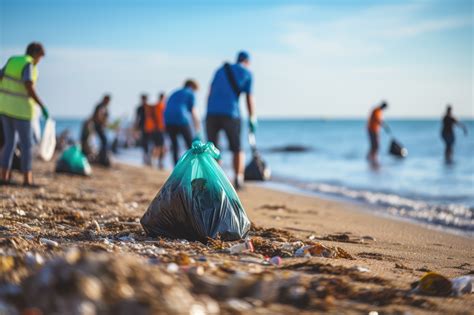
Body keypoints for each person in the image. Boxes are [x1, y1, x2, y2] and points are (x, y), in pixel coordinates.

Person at [0, 42, 49, 186]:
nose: (39, 60)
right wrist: (41, 105)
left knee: (9, 143)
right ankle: (27, 179)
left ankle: (4, 177)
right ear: (34, 53)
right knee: (27, 145)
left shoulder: (12, 61)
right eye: (39, 57)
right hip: (20, 110)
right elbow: (28, 85)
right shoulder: (28, 65)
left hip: (4, 107)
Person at [206, 51, 256, 189]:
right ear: (247, 62)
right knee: (237, 148)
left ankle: (215, 179)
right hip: (231, 113)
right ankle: (238, 180)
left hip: (211, 113)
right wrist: (252, 117)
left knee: (213, 148)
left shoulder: (220, 70)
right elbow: (249, 98)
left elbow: (209, 92)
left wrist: (208, 111)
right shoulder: (247, 73)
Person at [164, 79, 200, 165]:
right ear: (192, 87)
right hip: (180, 117)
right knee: (190, 144)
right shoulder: (190, 93)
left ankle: (176, 167)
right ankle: (192, 165)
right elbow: (193, 111)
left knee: (174, 145)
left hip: (168, 118)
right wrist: (197, 128)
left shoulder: (175, 92)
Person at [367, 101, 389, 165]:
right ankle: (372, 158)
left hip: (374, 130)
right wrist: (384, 126)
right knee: (375, 145)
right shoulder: (377, 110)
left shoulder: (377, 111)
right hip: (372, 130)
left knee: (374, 145)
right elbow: (378, 120)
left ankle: (371, 158)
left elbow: (378, 120)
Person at [92, 94, 111, 166]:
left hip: (100, 126)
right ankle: (103, 159)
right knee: (104, 142)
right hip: (99, 127)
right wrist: (103, 123)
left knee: (104, 142)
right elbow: (99, 117)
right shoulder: (101, 106)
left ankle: (102, 158)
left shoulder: (102, 106)